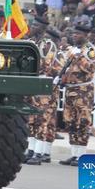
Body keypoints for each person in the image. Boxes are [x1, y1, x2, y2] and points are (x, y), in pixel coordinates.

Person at [57, 24, 95, 166]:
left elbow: (90, 68)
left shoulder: (90, 51)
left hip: (83, 91)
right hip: (70, 90)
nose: (75, 36)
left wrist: (78, 57)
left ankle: (81, 155)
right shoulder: (75, 50)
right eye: (74, 34)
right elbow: (68, 69)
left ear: (86, 36)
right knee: (71, 122)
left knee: (82, 122)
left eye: (78, 34)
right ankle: (74, 154)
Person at [25, 18, 60, 165]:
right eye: (32, 24)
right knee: (31, 119)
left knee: (42, 119)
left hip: (41, 84)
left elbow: (46, 64)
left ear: (43, 28)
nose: (32, 26)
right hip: (32, 83)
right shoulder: (32, 42)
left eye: (36, 25)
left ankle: (39, 153)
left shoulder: (48, 44)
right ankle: (31, 151)